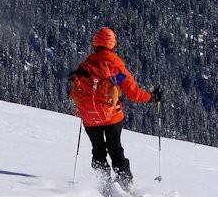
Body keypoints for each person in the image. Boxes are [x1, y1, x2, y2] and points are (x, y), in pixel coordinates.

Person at [69, 27, 161, 188]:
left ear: (95, 43)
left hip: (90, 118)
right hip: (112, 116)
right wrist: (153, 97)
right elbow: (134, 93)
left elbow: (75, 93)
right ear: (112, 44)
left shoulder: (85, 65)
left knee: (98, 151)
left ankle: (101, 185)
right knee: (115, 150)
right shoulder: (116, 66)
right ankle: (125, 185)